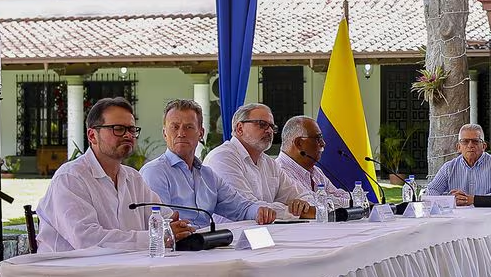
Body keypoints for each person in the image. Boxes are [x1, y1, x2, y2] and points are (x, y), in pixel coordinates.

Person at [36, 97, 193, 252]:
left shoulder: (133, 178)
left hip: (125, 269)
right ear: (92, 136)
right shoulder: (70, 178)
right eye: (118, 129)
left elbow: (163, 218)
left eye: (132, 129)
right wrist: (155, 237)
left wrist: (175, 227)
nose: (128, 135)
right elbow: (87, 240)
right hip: (71, 272)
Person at [141, 99, 276, 227]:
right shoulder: (155, 172)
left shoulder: (208, 176)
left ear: (201, 133)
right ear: (164, 133)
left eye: (189, 127)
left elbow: (240, 207)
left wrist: (260, 211)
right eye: (175, 127)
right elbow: (160, 224)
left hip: (208, 246)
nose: (181, 133)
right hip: (175, 249)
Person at [204, 103, 315, 219]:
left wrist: (303, 205)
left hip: (266, 233)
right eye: (262, 125)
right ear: (240, 128)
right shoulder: (222, 158)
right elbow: (249, 207)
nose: (269, 131)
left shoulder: (270, 163)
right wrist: (298, 212)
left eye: (272, 127)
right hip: (233, 234)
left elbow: (305, 195)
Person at [426, 123, 491, 206]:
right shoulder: (449, 168)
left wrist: (474, 200)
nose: (470, 145)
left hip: (487, 216)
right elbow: (431, 190)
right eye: (465, 141)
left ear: (484, 146)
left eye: (475, 141)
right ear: (458, 147)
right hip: (457, 217)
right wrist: (450, 199)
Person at [276, 115, 351, 207]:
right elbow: (313, 203)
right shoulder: (279, 171)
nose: (323, 143)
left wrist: (359, 200)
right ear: (299, 143)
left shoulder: (315, 171)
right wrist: (354, 203)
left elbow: (338, 194)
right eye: (318, 138)